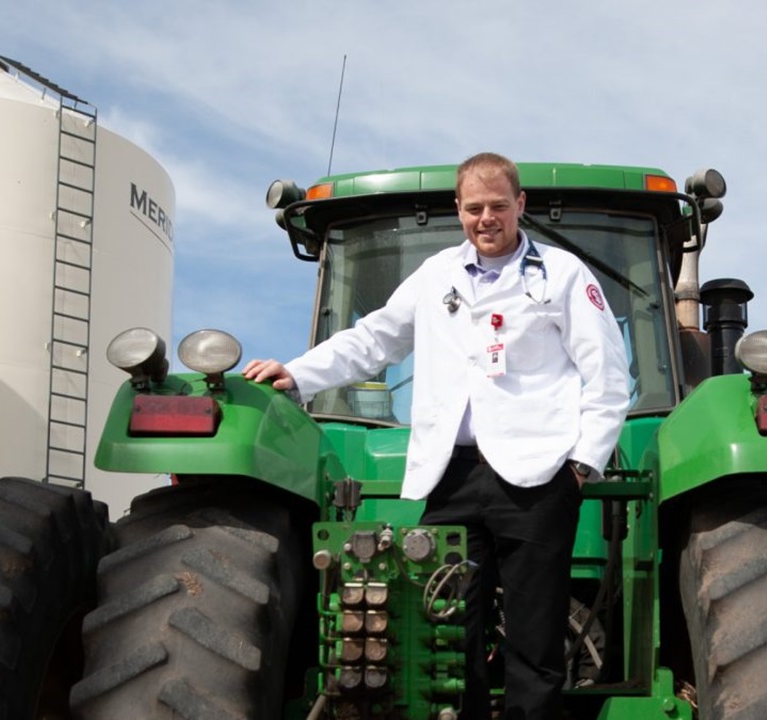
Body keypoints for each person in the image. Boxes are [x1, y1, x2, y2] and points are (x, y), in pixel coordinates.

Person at [243, 152, 630, 719]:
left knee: (535, 638)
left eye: (498, 205)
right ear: (459, 209)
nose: (486, 218)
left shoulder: (563, 274)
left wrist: (581, 464)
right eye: (474, 208)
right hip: (453, 478)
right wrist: (299, 374)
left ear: (520, 204)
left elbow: (608, 375)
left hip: (538, 479)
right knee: (446, 631)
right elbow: (373, 340)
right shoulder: (435, 276)